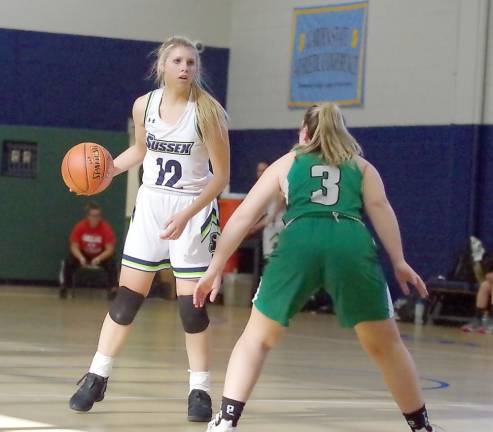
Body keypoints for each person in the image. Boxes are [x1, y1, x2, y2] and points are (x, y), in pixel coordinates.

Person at [194, 103, 442, 432]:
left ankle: (226, 420)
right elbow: (381, 209)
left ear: (304, 133)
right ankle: (421, 426)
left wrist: (214, 267)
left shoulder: (289, 161)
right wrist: (399, 261)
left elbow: (243, 216)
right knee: (386, 346)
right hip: (349, 239)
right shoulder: (362, 166)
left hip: (300, 238)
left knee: (256, 339)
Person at [68, 36, 230, 423]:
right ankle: (97, 376)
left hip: (193, 208)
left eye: (191, 61)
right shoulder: (144, 105)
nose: (185, 67)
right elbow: (141, 151)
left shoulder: (209, 112)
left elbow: (221, 176)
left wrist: (188, 212)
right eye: (177, 60)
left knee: (192, 310)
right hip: (152, 206)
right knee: (125, 301)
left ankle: (200, 389)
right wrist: (106, 171)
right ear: (163, 65)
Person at [60, 202, 117, 299]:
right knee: (69, 261)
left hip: (100, 254)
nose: (95, 218)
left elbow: (110, 249)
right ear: (88, 216)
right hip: (83, 254)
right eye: (93, 216)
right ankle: (65, 286)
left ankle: (113, 289)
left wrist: (99, 258)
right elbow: (74, 246)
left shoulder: (106, 228)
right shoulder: (80, 227)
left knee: (112, 263)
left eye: (98, 216)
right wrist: (80, 257)